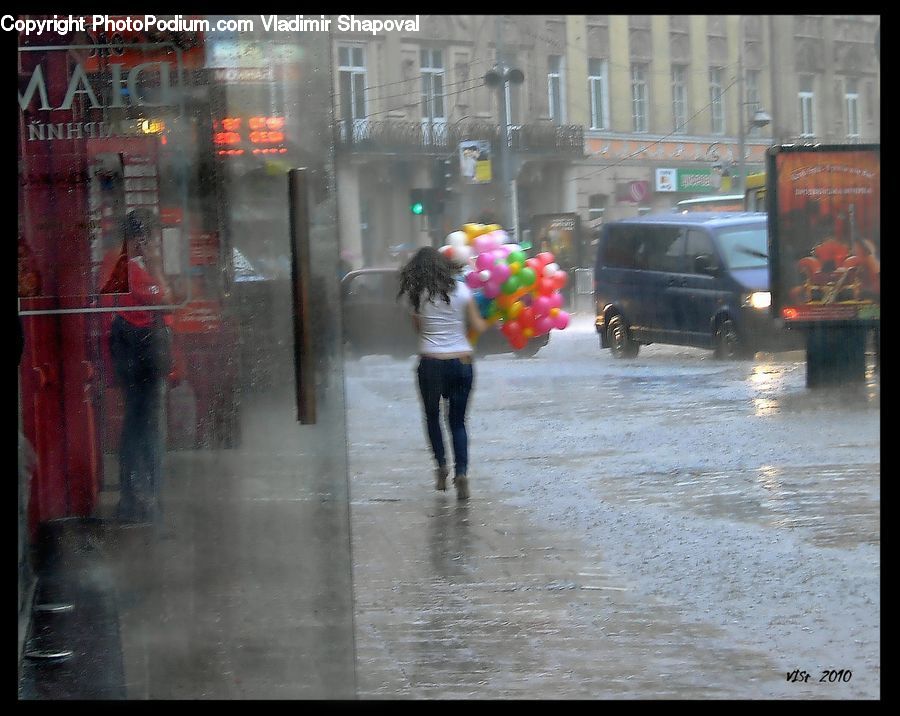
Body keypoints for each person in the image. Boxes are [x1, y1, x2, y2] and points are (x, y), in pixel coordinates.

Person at [100, 211, 173, 523]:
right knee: (146, 428)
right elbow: (166, 300)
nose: (156, 244)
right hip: (142, 356)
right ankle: (144, 498)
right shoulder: (130, 268)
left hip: (128, 355)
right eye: (152, 237)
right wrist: (156, 265)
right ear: (141, 238)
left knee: (136, 425)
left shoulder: (113, 263)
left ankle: (135, 496)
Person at [397, 247, 487, 500]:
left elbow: (419, 330)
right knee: (457, 421)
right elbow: (478, 324)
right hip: (462, 361)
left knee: (432, 416)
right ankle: (462, 473)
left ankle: (441, 466)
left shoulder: (415, 296)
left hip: (431, 363)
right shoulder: (462, 290)